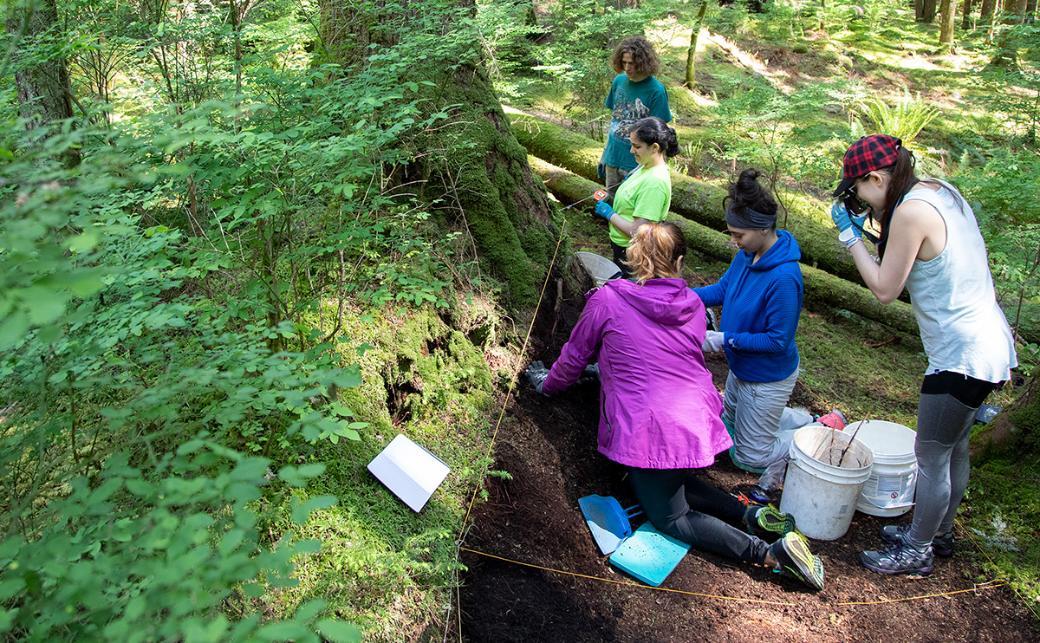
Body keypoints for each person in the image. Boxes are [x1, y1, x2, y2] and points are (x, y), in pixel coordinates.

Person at [525, 222, 825, 591]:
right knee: (670, 481)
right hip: (694, 417)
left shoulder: (607, 300)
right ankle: (753, 514)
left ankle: (768, 552)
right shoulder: (691, 304)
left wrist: (547, 385)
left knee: (672, 517)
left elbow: (572, 358)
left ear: (631, 257)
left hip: (649, 429)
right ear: (680, 262)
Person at [830, 134, 1017, 575]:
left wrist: (849, 237)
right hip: (987, 344)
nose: (858, 200)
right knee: (955, 450)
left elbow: (884, 289)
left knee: (931, 454)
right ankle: (941, 531)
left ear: (876, 177)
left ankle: (917, 548)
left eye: (858, 189)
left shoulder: (912, 211)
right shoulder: (935, 189)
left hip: (962, 354)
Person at [692, 169, 804, 500]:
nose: (733, 241)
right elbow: (723, 289)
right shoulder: (747, 255)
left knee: (749, 456)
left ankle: (813, 433)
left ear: (762, 229)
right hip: (742, 368)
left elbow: (777, 339)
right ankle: (794, 417)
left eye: (738, 234)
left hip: (767, 376)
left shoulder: (784, 278)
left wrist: (724, 339)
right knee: (729, 423)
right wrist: (675, 294)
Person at [593, 117, 677, 277]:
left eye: (636, 146)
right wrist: (610, 201)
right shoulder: (644, 166)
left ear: (654, 147)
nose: (631, 150)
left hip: (634, 254)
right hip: (623, 247)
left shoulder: (655, 183)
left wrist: (609, 214)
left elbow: (638, 231)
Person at [600, 35, 672, 200]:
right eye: (624, 62)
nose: (627, 67)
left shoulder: (656, 90)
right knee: (610, 197)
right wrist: (606, 152)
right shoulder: (618, 81)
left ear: (642, 63)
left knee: (630, 201)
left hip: (636, 161)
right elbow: (616, 119)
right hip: (613, 154)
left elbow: (659, 134)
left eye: (631, 63)